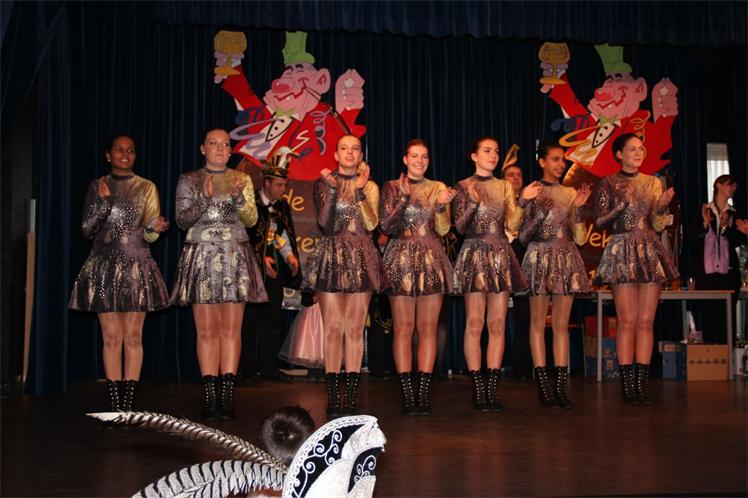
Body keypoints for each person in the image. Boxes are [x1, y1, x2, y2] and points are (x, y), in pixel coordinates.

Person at [69, 134, 170, 412]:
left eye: (131, 150)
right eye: (119, 150)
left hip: (137, 265)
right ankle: (115, 405)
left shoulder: (147, 187)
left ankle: (129, 404)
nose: (125, 154)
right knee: (112, 336)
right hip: (104, 266)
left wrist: (155, 228)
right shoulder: (97, 186)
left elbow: (150, 234)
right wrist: (104, 204)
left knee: (133, 336)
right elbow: (87, 230)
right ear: (108, 155)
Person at [172, 128, 267, 421]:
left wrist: (239, 200)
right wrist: (203, 197)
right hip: (202, 256)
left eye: (225, 144)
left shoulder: (242, 179)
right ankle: (209, 395)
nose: (220, 148)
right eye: (214, 143)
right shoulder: (189, 179)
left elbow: (251, 219)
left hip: (234, 257)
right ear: (203, 148)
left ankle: (226, 395)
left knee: (231, 330)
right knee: (207, 330)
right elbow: (181, 220)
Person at [452, 137, 539, 412]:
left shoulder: (504, 186)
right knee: (475, 322)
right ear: (474, 156)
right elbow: (460, 227)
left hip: (500, 254)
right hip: (475, 253)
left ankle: (491, 386)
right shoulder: (463, 186)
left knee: (498, 324)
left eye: (496, 151)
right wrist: (473, 203)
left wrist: (522, 202)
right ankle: (478, 387)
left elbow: (512, 224)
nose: (493, 155)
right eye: (487, 151)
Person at [302, 135, 385, 418]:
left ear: (360, 155)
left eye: (355, 148)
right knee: (333, 328)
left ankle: (349, 396)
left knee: (354, 328)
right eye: (344, 148)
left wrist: (359, 192)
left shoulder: (370, 185)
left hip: (362, 257)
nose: (350, 152)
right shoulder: (324, 183)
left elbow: (372, 223)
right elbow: (325, 222)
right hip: (333, 256)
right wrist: (335, 190)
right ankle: (333, 395)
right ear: (336, 154)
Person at [593, 133, 679, 405]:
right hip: (622, 250)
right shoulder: (608, 183)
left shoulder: (653, 182)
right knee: (627, 320)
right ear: (619, 154)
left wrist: (661, 208)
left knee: (646, 321)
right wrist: (622, 204)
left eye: (641, 148)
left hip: (649, 250)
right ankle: (627, 385)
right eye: (632, 149)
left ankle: (642, 384)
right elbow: (600, 222)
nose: (638, 152)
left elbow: (656, 223)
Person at [380, 139, 456, 415]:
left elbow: (444, 229)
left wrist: (441, 207)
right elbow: (387, 225)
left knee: (428, 328)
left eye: (424, 156)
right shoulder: (391, 186)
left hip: (431, 258)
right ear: (405, 159)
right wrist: (402, 197)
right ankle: (406, 393)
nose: (420, 161)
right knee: (403, 327)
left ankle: (422, 394)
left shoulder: (437, 187)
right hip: (400, 256)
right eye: (414, 156)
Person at [519, 141, 592, 408]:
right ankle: (543, 386)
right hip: (539, 256)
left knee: (561, 324)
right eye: (555, 159)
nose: (561, 164)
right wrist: (535, 209)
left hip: (566, 258)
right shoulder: (532, 191)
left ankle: (561, 387)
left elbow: (580, 238)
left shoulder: (570, 193)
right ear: (542, 162)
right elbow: (523, 237)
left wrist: (579, 208)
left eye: (563, 160)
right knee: (538, 323)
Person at [241, 148, 301, 382]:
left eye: (284, 185)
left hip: (274, 269)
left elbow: (280, 235)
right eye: (278, 185)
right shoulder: (250, 203)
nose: (282, 189)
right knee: (249, 321)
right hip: (251, 270)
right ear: (266, 183)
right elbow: (243, 237)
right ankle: (246, 369)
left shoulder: (282, 206)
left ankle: (268, 366)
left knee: (271, 319)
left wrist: (289, 256)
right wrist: (259, 258)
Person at [689, 175, 748, 343]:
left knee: (727, 317)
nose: (733, 188)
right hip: (706, 274)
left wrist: (725, 227)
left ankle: (728, 354)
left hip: (728, 274)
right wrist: (704, 225)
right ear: (719, 185)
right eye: (730, 185)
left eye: (734, 186)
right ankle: (709, 353)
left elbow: (739, 241)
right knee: (708, 316)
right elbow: (692, 240)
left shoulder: (735, 213)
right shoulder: (703, 210)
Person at [501, 145, 533, 380]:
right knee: (493, 318)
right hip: (498, 260)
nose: (515, 178)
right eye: (510, 175)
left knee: (525, 317)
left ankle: (522, 366)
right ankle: (489, 367)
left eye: (519, 174)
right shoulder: (496, 200)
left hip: (523, 260)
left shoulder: (531, 202)